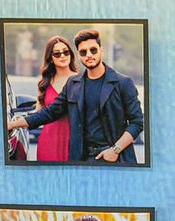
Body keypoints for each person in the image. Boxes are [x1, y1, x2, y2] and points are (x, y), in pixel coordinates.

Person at [9, 28, 143, 164]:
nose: (89, 55)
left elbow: (137, 122)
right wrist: (12, 124)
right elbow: (50, 112)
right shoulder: (73, 84)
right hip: (82, 160)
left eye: (93, 50)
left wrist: (115, 150)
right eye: (83, 52)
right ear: (78, 55)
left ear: (101, 51)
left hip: (115, 159)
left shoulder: (122, 83)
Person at [25, 35, 76, 164]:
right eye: (57, 54)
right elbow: (39, 113)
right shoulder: (45, 83)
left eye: (66, 52)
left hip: (74, 141)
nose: (62, 56)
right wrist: (19, 119)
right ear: (50, 58)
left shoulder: (81, 80)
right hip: (48, 142)